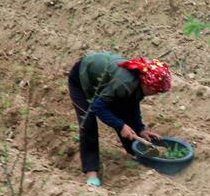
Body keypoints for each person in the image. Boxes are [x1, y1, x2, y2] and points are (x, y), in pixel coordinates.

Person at [68, 52, 171, 187]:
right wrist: (120, 125)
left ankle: (135, 154)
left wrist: (141, 129)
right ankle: (91, 174)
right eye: (156, 91)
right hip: (81, 80)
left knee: (123, 112)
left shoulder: (138, 83)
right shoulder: (124, 83)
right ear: (147, 85)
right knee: (88, 124)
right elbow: (98, 107)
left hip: (105, 84)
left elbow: (132, 106)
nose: (156, 94)